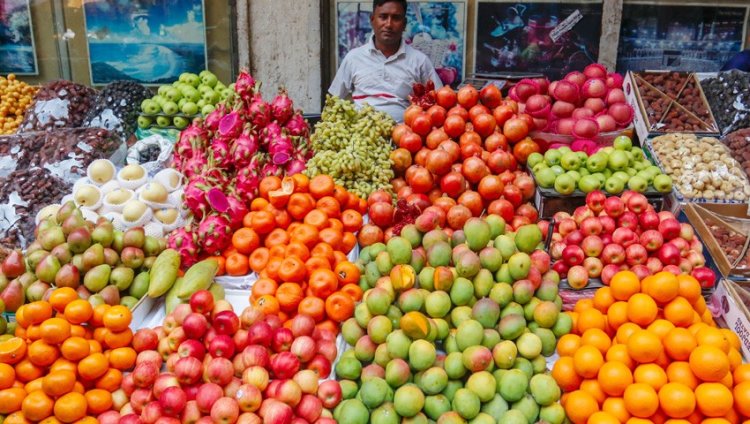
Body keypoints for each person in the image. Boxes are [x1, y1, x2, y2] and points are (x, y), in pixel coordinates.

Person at [329, 0, 443, 122]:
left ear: (404, 24)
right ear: (372, 20)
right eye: (383, 17)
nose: (388, 24)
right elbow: (333, 100)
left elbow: (440, 100)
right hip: (361, 137)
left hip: (405, 138)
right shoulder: (353, 58)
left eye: (396, 18)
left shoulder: (419, 61)